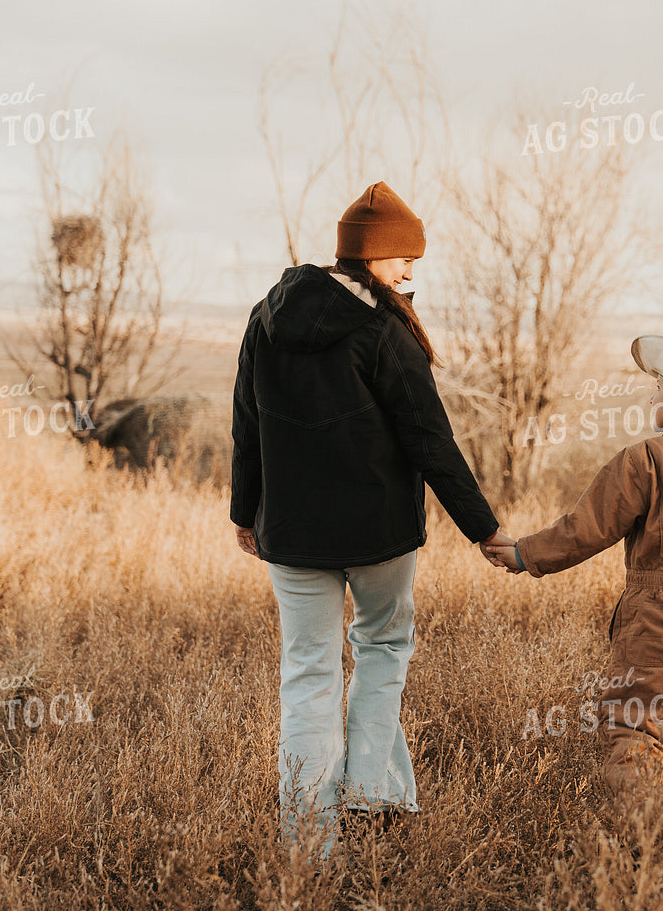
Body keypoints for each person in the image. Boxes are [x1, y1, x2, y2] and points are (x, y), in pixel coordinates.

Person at [231, 180, 513, 854]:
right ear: (370, 256)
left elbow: (246, 424)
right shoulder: (386, 331)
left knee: (308, 676)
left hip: (292, 535)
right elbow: (431, 441)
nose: (411, 272)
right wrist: (485, 529)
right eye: (403, 258)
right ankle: (371, 789)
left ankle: (308, 848)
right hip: (380, 535)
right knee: (383, 649)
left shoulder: (266, 317)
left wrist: (247, 511)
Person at [484, 336, 663, 798]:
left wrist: (524, 554)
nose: (651, 397)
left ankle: (637, 848)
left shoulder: (646, 458)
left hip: (658, 618)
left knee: (638, 727)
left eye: (658, 389)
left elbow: (587, 526)